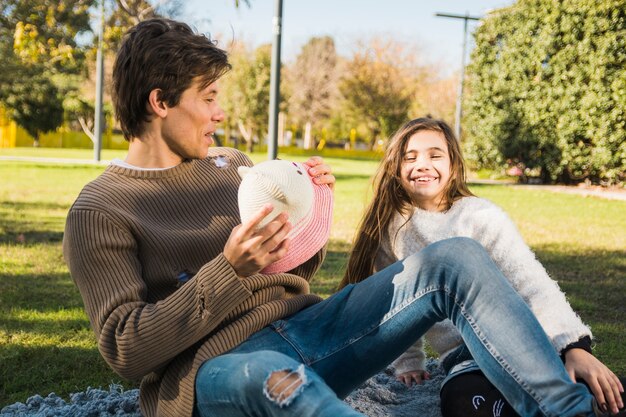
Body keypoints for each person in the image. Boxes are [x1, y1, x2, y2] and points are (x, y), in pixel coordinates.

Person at [63, 17, 614, 417]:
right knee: (279, 384)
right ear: (161, 102)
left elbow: (292, 270)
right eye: (207, 98)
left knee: (455, 259)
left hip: (310, 328)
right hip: (217, 369)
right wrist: (227, 269)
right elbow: (126, 350)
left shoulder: (233, 166)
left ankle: (568, 410)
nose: (220, 112)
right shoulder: (100, 209)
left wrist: (311, 208)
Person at [340, 117, 625, 417]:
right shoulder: (392, 230)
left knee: (605, 392)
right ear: (396, 170)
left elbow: (532, 282)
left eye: (435, 155)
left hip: (525, 348)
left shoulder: (481, 216)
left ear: (453, 166)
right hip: (465, 360)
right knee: (461, 402)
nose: (422, 164)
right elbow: (395, 304)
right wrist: (409, 363)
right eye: (410, 158)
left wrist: (573, 347)